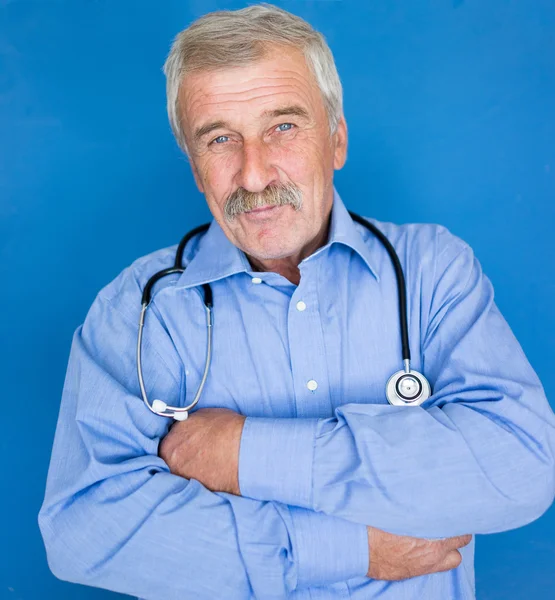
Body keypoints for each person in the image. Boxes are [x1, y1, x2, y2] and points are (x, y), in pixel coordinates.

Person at [39, 4, 555, 600]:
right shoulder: (139, 309)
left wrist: (243, 453)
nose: (254, 174)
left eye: (283, 126)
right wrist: (353, 549)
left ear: (336, 139)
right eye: (220, 138)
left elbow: (521, 464)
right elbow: (88, 529)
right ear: (193, 165)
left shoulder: (432, 272)